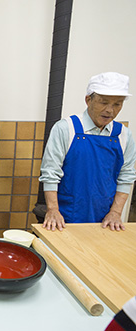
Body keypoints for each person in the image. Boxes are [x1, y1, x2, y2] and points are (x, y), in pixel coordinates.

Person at [40, 72, 136, 231]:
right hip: (64, 217)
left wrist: (115, 212)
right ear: (88, 100)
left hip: (105, 219)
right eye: (103, 102)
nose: (110, 110)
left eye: (117, 104)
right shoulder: (66, 128)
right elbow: (50, 171)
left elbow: (126, 176)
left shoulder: (124, 135)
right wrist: (53, 210)